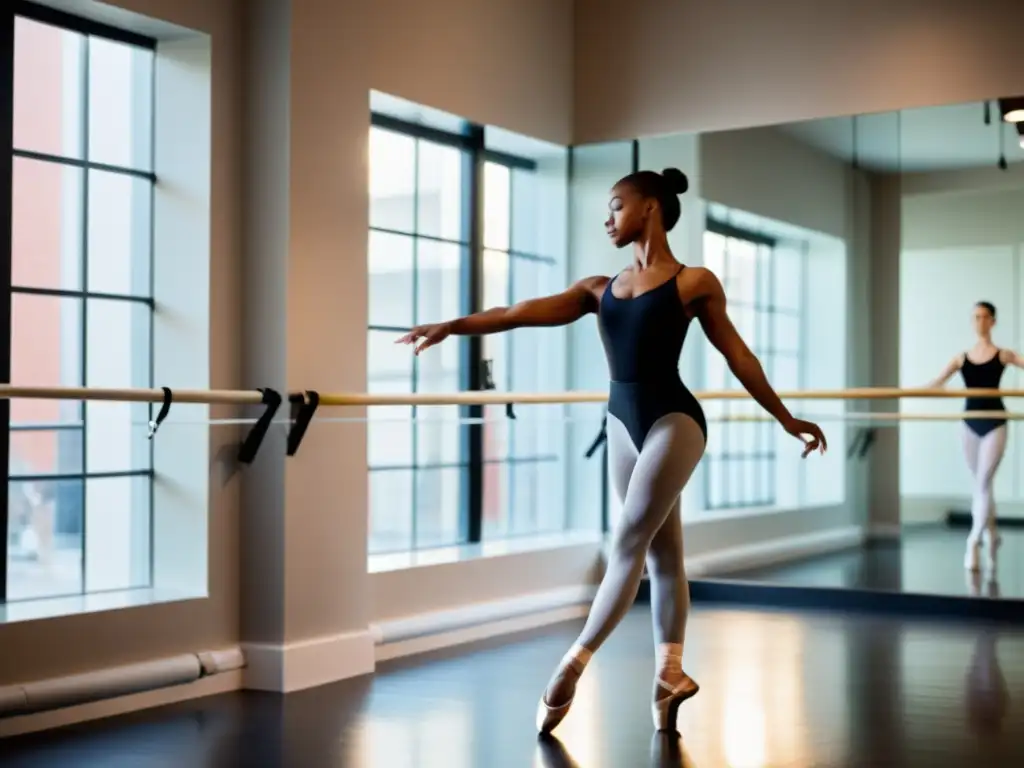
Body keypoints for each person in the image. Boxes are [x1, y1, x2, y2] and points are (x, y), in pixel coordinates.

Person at [396, 167, 827, 734]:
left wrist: (785, 417)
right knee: (661, 554)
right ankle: (670, 676)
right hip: (622, 425)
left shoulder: (695, 282)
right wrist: (451, 325)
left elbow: (739, 357)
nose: (608, 218)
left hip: (675, 420)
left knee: (626, 539)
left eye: (616, 206)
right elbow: (515, 313)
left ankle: (572, 664)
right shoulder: (598, 290)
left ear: (649, 207)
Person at [928, 301, 1024, 572]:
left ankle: (973, 540)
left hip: (994, 422)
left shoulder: (1002, 354)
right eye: (975, 317)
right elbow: (936, 383)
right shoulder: (962, 358)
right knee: (982, 484)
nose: (979, 322)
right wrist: (907, 392)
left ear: (993, 321)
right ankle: (992, 534)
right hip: (969, 422)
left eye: (984, 317)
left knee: (982, 482)